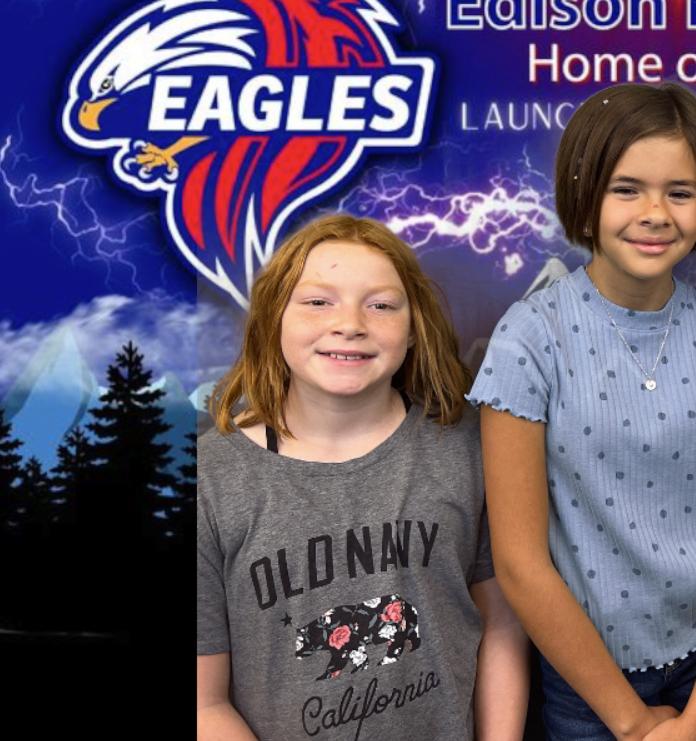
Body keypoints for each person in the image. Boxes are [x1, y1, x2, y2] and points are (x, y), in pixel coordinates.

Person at [471, 82, 696, 741]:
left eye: (680, 192)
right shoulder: (530, 338)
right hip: (591, 686)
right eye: (626, 188)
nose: (656, 212)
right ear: (584, 196)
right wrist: (633, 722)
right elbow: (520, 562)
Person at [196, 214, 529, 740]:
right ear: (273, 318)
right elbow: (204, 703)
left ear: (414, 326)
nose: (349, 322)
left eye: (380, 304)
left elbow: (502, 629)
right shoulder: (210, 477)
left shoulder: (468, 449)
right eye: (317, 301)